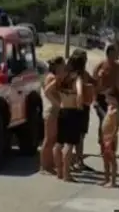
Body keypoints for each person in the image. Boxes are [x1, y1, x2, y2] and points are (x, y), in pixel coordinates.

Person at [50, 49, 88, 182]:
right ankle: (67, 174)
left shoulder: (62, 78)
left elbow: (49, 90)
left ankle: (59, 172)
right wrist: (80, 105)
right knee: (69, 144)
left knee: (58, 143)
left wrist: (57, 102)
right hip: (72, 111)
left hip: (62, 110)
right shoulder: (76, 78)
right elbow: (80, 93)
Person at [93, 43, 119, 149]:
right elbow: (94, 83)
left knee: (115, 123)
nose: (118, 54)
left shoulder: (118, 66)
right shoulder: (100, 65)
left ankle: (111, 144)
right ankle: (102, 143)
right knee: (104, 121)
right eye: (116, 52)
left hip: (115, 97)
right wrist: (95, 100)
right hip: (102, 98)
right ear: (110, 53)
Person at [40, 56, 64, 174]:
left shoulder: (54, 77)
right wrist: (58, 104)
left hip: (55, 111)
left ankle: (49, 164)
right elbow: (47, 92)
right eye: (62, 65)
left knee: (53, 139)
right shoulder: (51, 78)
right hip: (51, 111)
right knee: (48, 139)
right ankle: (44, 166)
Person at [100, 89, 119, 187]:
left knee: (112, 159)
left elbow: (116, 126)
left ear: (114, 98)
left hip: (111, 137)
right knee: (105, 158)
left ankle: (113, 181)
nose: (105, 99)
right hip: (104, 136)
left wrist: (112, 137)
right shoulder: (109, 107)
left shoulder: (116, 110)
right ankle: (106, 178)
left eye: (107, 97)